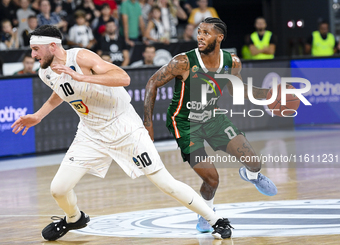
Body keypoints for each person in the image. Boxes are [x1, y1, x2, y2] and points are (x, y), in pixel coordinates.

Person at [11, 24, 233, 241]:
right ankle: (74, 218)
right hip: (91, 132)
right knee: (58, 189)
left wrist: (82, 77)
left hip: (124, 126)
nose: (32, 55)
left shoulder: (80, 58)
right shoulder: (45, 72)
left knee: (165, 182)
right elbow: (61, 90)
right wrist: (38, 115)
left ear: (51, 46)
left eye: (35, 49)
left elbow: (123, 78)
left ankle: (215, 220)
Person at [143, 17, 277, 233]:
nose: (200, 36)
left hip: (212, 117)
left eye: (206, 33)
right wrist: (147, 123)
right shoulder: (183, 62)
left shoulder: (232, 62)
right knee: (212, 179)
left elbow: (237, 89)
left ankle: (251, 176)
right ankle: (207, 214)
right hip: (185, 123)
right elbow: (152, 82)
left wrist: (267, 94)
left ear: (219, 37)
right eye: (199, 32)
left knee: (254, 161)